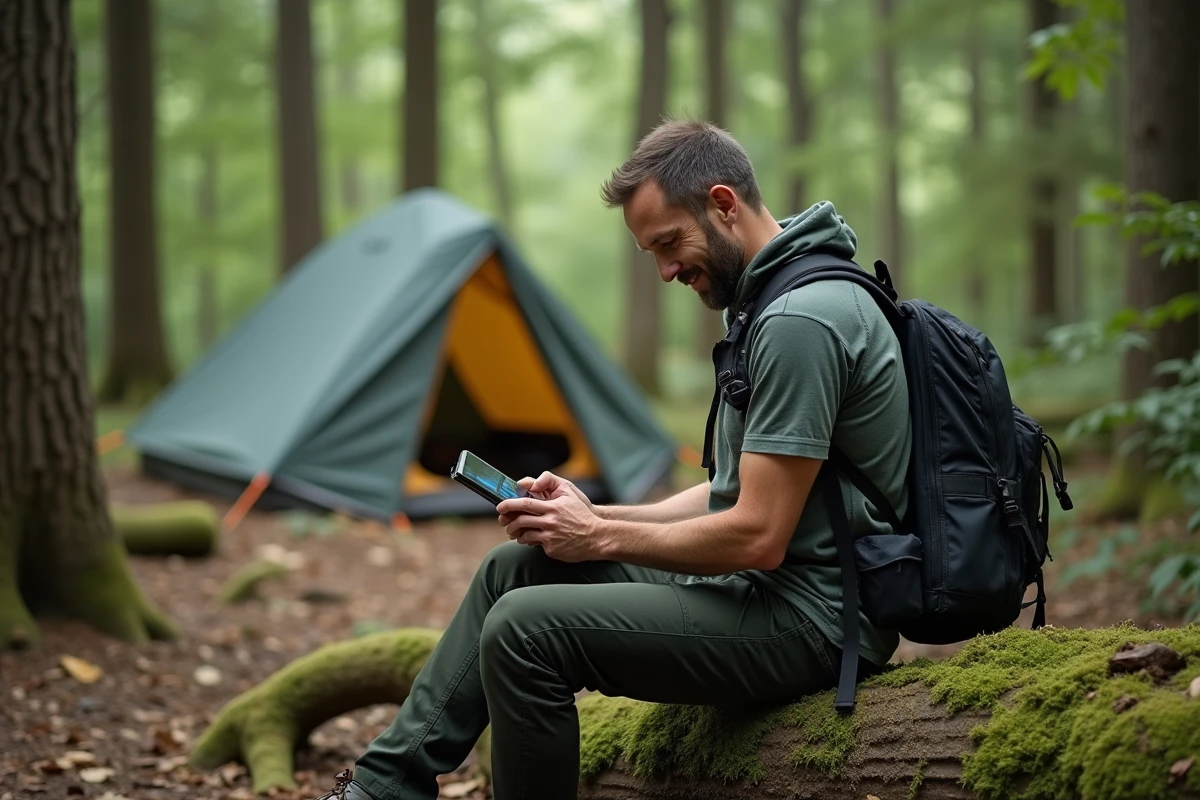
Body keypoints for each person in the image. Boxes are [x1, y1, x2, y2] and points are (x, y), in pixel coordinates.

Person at [317, 119, 912, 800]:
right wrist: (588, 513)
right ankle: (381, 788)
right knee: (516, 568)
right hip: (769, 591)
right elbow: (729, 491)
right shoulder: (771, 304)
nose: (664, 270)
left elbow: (759, 534)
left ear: (723, 204)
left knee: (524, 633)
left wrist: (601, 537)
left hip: (814, 620)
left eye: (668, 243)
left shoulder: (801, 322)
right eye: (650, 252)